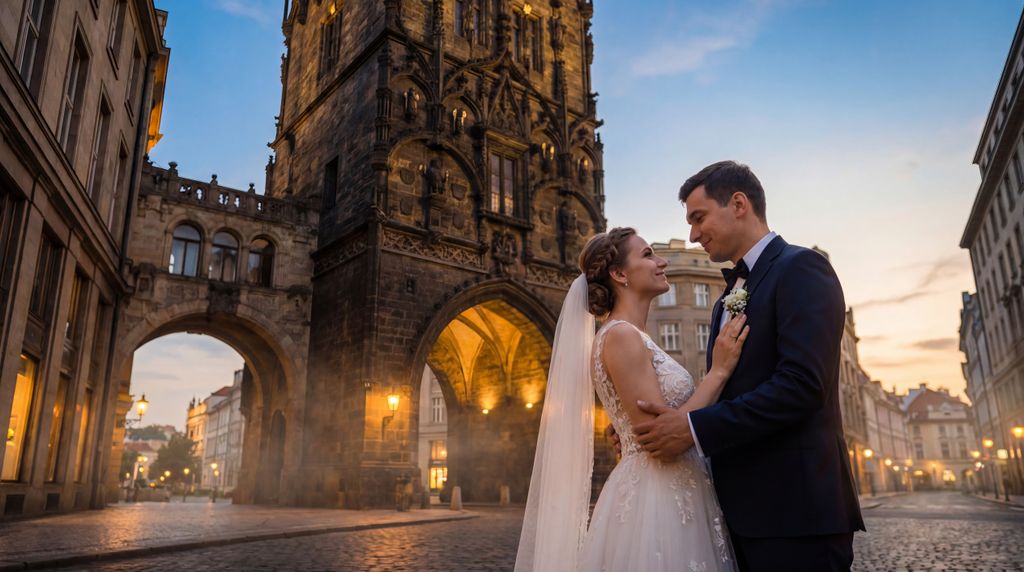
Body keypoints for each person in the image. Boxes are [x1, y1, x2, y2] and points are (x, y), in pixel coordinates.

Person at [632, 160, 865, 571]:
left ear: (738, 204)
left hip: (796, 514)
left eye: (699, 217)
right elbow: (727, 389)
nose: (693, 234)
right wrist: (648, 430)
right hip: (737, 516)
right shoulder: (726, 297)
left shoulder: (801, 268)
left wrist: (689, 429)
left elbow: (801, 386)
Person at [515, 226, 749, 571]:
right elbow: (660, 438)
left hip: (674, 487)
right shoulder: (621, 336)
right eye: (648, 255)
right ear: (619, 274)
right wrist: (718, 371)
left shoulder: (630, 335)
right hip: (658, 496)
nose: (662, 261)